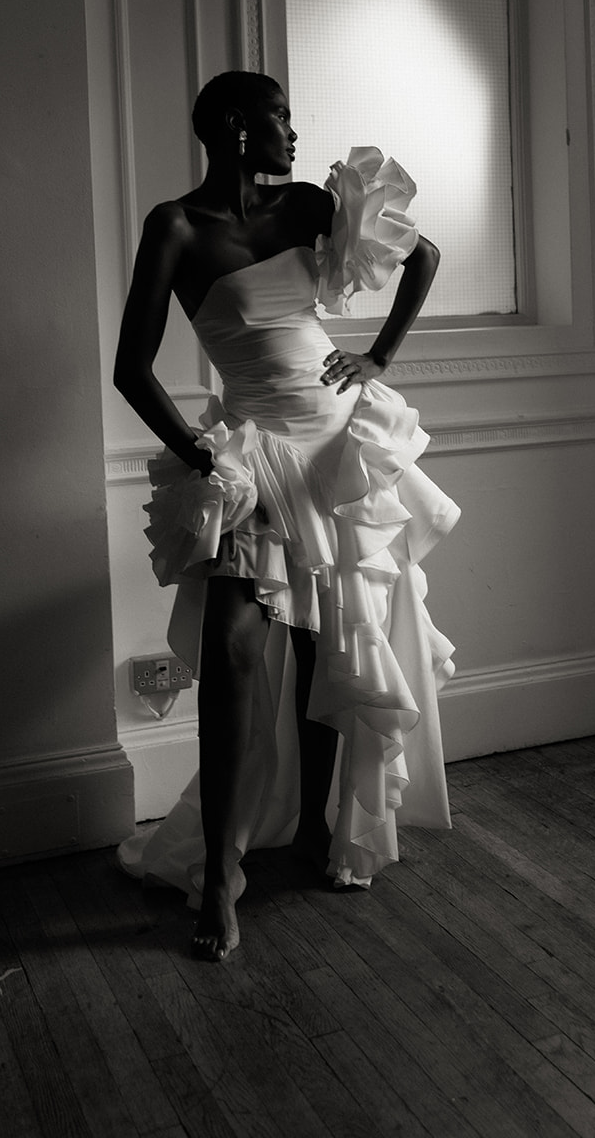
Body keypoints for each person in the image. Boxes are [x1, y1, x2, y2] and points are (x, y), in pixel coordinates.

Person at [113, 70, 460, 961]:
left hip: (337, 447)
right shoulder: (177, 227)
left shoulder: (307, 203)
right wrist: (197, 454)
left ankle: (313, 832)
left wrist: (377, 356)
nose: (294, 136)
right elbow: (131, 368)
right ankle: (218, 885)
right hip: (256, 453)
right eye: (279, 118)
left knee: (326, 649)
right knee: (231, 654)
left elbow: (419, 255)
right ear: (235, 127)